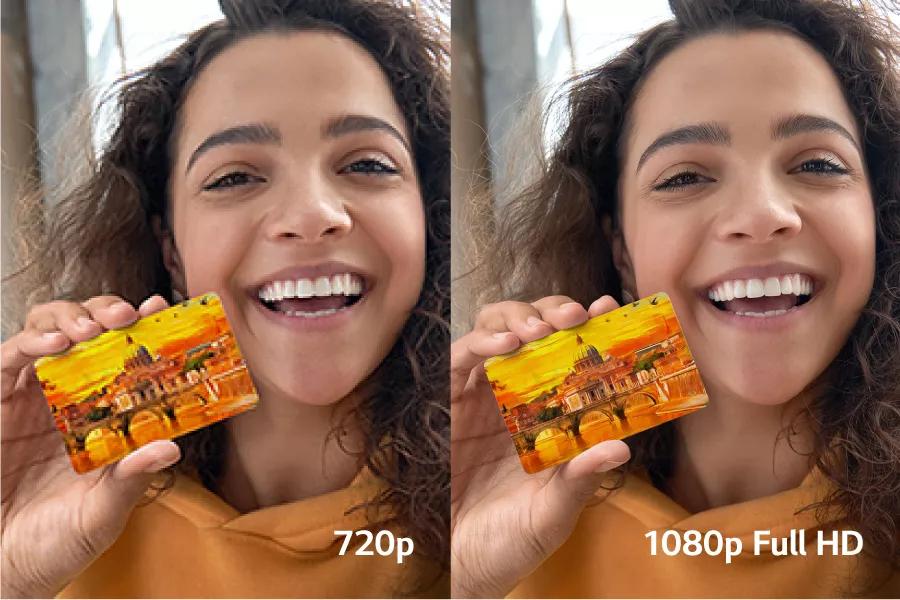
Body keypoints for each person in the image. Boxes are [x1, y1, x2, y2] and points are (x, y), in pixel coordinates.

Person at [1, 0, 449, 597]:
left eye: (367, 163)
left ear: (430, 218)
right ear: (170, 250)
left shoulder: (501, 495)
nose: (310, 215)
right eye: (234, 177)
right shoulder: (67, 511)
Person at [451, 0, 899, 597]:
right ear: (620, 249)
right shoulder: (527, 517)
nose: (760, 215)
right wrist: (458, 570)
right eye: (685, 177)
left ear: (880, 216)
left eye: (818, 163)